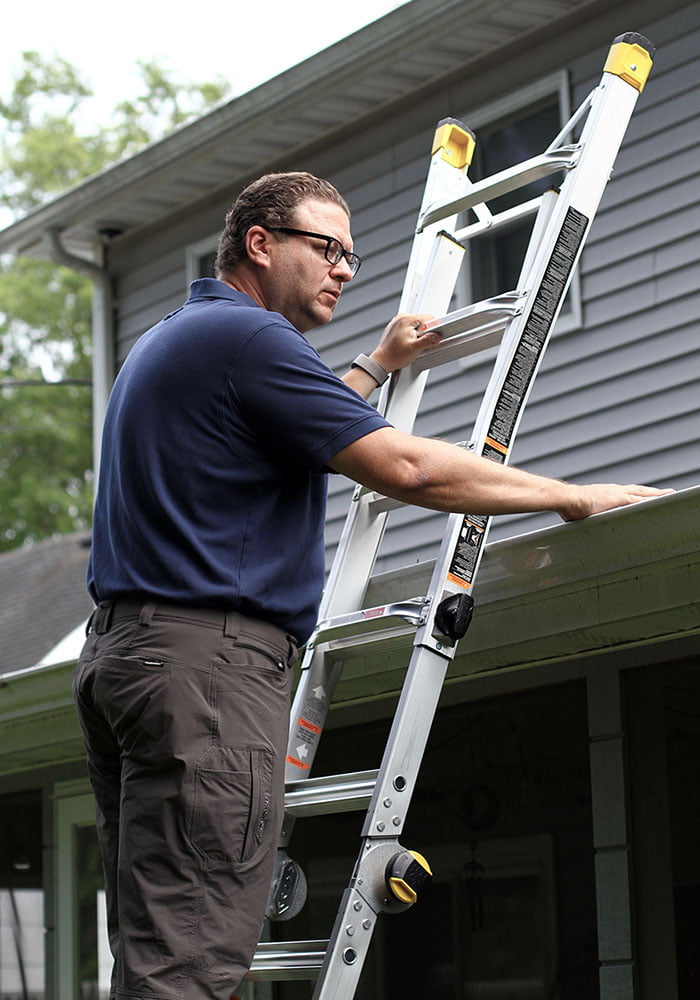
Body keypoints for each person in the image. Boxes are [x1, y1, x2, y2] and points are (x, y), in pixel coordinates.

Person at [73, 171, 669, 1000]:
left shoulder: (175, 341)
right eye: (325, 248)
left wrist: (376, 365)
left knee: (159, 946)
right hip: (206, 674)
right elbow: (407, 467)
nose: (345, 269)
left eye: (351, 255)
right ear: (260, 243)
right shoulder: (251, 342)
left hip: (133, 659)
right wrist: (573, 494)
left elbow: (281, 430)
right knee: (192, 967)